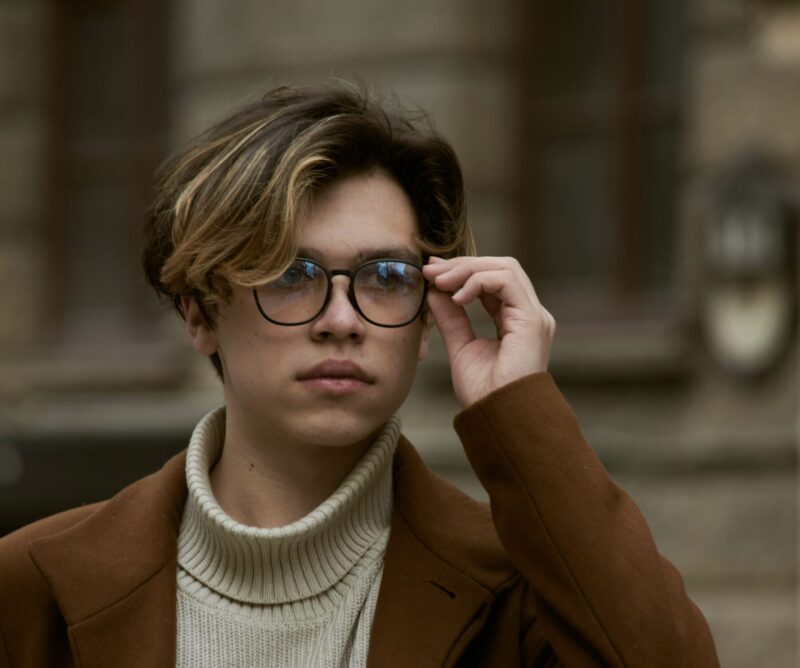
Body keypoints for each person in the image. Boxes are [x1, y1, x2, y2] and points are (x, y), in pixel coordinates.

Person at [0, 84, 720, 667]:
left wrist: (520, 413)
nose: (341, 318)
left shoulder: (515, 592)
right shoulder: (33, 583)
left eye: (384, 277)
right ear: (199, 313)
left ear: (428, 315)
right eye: (291, 274)